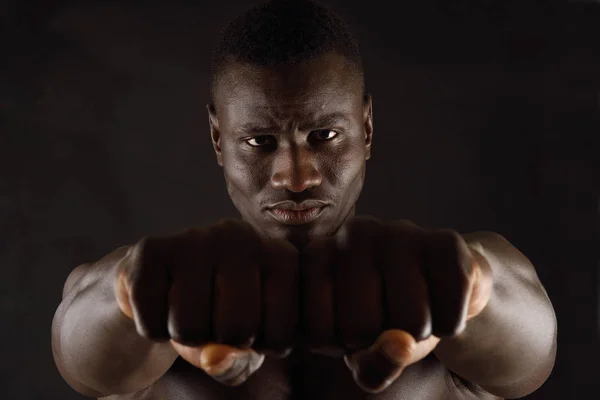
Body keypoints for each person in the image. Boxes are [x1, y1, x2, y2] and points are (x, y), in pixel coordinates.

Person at [51, 1, 557, 399]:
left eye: (324, 136)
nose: (296, 178)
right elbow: (83, 355)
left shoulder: (440, 286)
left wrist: (473, 294)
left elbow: (531, 352)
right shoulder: (168, 301)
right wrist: (129, 299)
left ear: (366, 127)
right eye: (259, 142)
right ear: (216, 139)